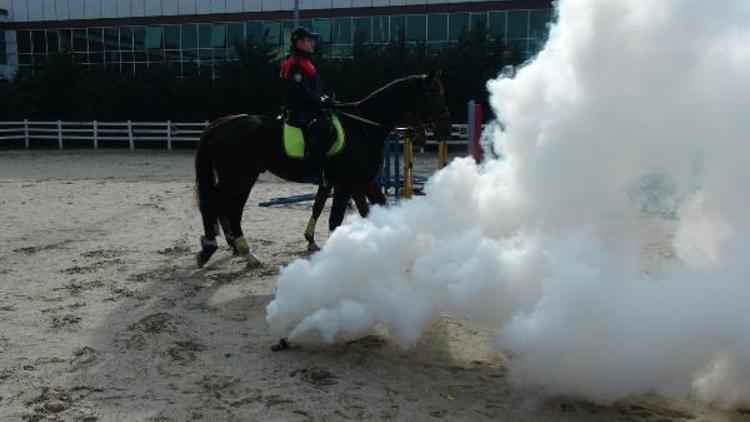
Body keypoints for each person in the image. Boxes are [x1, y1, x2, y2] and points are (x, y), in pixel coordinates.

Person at [280, 26, 337, 185]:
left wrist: (326, 98)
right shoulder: (296, 65)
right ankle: (312, 171)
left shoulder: (306, 63)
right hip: (300, 112)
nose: (313, 43)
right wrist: (321, 101)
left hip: (310, 108)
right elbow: (300, 92)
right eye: (309, 40)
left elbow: (314, 90)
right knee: (322, 129)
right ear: (299, 42)